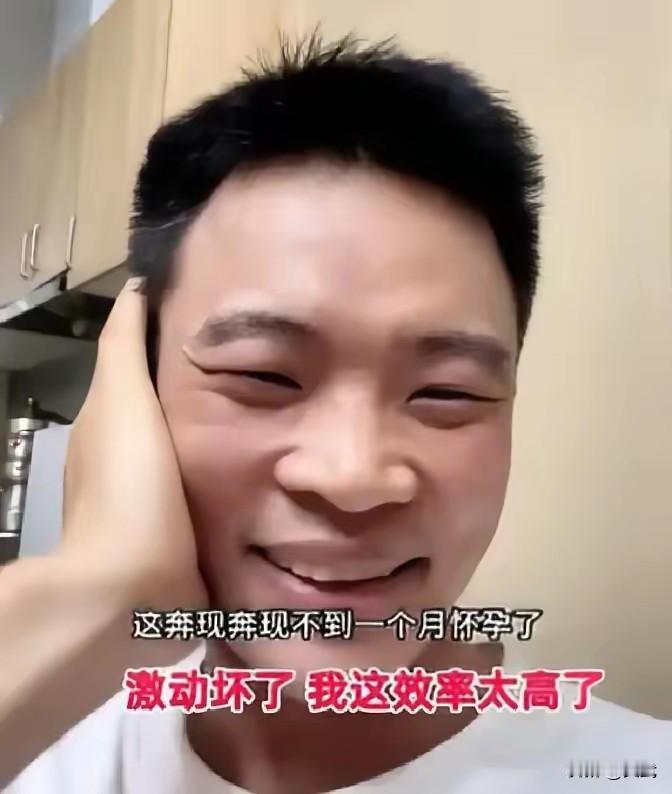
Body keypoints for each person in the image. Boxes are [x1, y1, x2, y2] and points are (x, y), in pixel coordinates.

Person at [1, 34, 669, 794]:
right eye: (263, 374)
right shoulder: (38, 743)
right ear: (135, 390)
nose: (354, 478)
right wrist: (94, 595)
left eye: (446, 392)